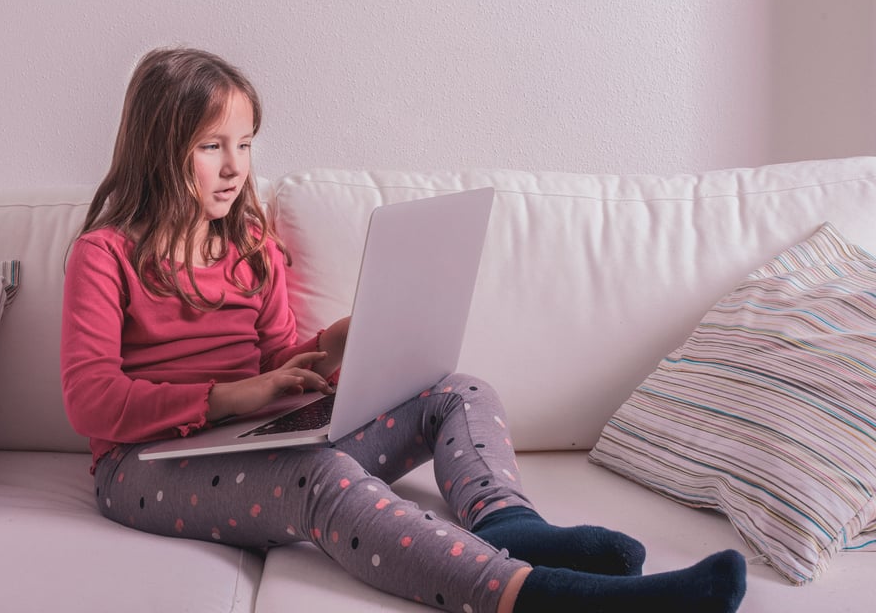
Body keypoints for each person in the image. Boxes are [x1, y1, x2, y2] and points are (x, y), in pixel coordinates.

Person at [61, 46, 747, 613]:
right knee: (318, 475)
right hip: (144, 466)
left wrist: (324, 351)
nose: (237, 167)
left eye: (244, 144)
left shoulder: (250, 242)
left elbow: (273, 364)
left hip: (247, 436)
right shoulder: (106, 254)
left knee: (458, 390)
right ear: (159, 151)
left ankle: (515, 529)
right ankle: (538, 597)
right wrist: (225, 399)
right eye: (212, 146)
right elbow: (91, 399)